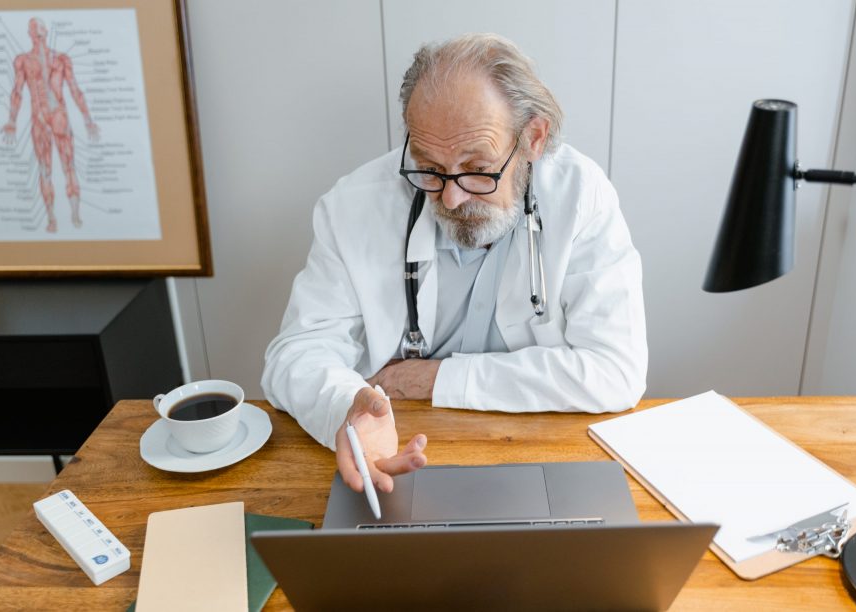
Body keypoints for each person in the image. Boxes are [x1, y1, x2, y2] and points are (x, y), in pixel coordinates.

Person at [262, 33, 647, 498]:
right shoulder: (353, 206)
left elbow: (615, 372)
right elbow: (295, 355)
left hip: (543, 458)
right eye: (429, 167)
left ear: (533, 139)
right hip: (399, 457)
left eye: (477, 168)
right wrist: (345, 407)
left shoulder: (581, 197)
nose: (451, 197)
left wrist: (435, 378)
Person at [2, 17, 100, 233]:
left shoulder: (61, 59)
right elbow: (17, 91)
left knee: (69, 167)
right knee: (45, 170)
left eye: (41, 27)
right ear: (30, 33)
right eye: (35, 27)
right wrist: (11, 120)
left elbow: (74, 89)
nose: (39, 31)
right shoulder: (23, 61)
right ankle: (52, 217)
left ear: (45, 32)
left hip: (59, 117)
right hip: (39, 120)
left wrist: (87, 119)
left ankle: (74, 213)